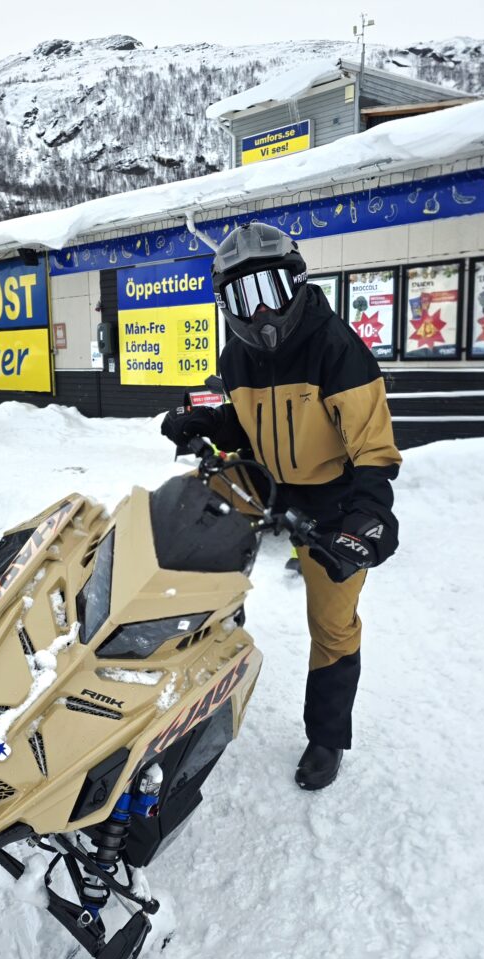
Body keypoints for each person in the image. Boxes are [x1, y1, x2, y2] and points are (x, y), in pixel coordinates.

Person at [161, 223, 401, 791]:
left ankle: (326, 736)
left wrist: (368, 516)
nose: (262, 311)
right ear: (227, 305)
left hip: (333, 504)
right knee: (191, 565)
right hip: (270, 488)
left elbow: (373, 447)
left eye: (271, 289)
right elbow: (247, 428)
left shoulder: (335, 346)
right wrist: (206, 422)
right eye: (245, 297)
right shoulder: (237, 355)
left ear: (297, 283)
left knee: (333, 624)